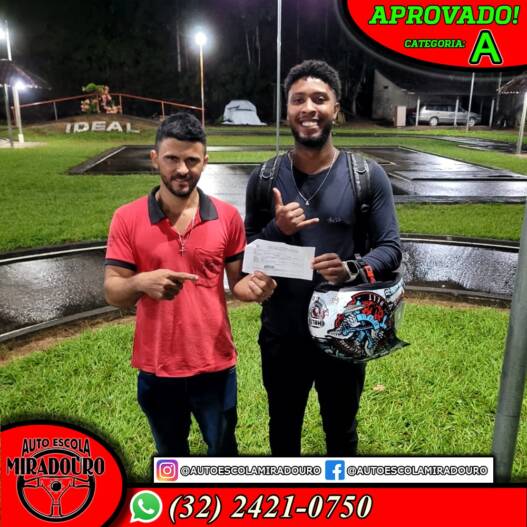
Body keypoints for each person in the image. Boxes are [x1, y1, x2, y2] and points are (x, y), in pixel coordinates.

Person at [244, 60, 402, 456]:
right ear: (287, 110)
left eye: (319, 99)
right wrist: (277, 228)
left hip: (345, 333)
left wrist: (353, 268)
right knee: (283, 430)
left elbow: (391, 247)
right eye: (298, 100)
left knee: (341, 431)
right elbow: (247, 251)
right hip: (282, 335)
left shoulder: (366, 175)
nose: (308, 108)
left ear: (336, 109)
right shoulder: (264, 179)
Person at [104, 112, 276, 456]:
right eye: (172, 159)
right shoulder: (127, 217)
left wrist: (259, 289)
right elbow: (113, 291)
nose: (182, 169)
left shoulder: (226, 216)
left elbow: (238, 285)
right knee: (170, 456)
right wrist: (141, 282)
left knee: (223, 452)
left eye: (192, 160)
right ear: (155, 158)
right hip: (157, 367)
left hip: (215, 364)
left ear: (205, 161)